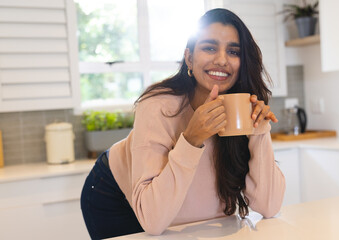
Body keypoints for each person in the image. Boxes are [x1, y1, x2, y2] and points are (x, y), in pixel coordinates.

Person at [81, 8, 285, 239]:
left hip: (172, 205)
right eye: (209, 48)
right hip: (115, 194)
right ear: (189, 57)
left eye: (233, 51)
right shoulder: (159, 105)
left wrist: (258, 131)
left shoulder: (242, 107)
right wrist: (191, 139)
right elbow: (154, 220)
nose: (221, 59)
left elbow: (268, 207)